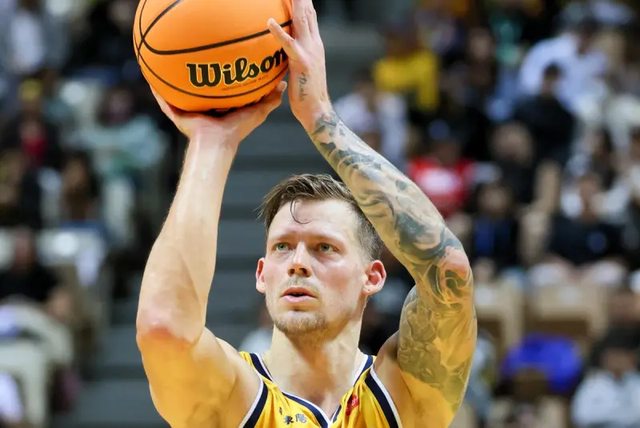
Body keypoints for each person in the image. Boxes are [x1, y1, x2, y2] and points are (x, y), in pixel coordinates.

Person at [135, 0, 476, 426]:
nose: (298, 263)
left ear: (372, 277)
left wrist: (321, 117)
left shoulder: (403, 395)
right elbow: (164, 328)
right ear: (262, 274)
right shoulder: (231, 399)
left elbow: (447, 270)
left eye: (324, 248)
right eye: (282, 247)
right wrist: (211, 142)